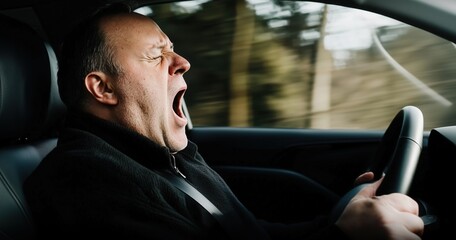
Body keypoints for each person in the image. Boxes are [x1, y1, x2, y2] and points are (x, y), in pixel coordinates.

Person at [24, 2, 424, 240]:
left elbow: (245, 234)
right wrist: (340, 237)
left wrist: (338, 219)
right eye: (156, 55)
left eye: (173, 50)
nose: (182, 63)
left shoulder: (167, 155)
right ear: (103, 89)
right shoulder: (82, 181)